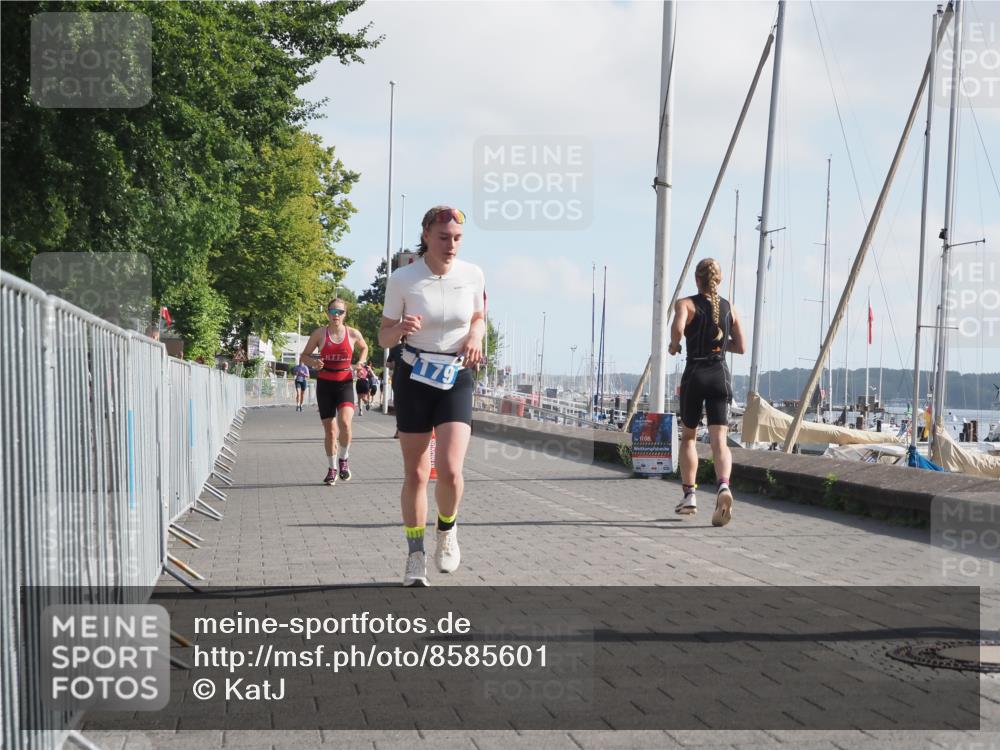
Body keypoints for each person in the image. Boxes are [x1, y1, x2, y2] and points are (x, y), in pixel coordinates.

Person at [379, 206, 485, 586]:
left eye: (457, 238)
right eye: (443, 238)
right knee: (417, 473)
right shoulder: (403, 279)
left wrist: (476, 336)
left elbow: (478, 317)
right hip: (414, 375)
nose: (450, 245)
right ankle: (415, 554)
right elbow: (384, 336)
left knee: (451, 471)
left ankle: (447, 529)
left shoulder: (472, 274)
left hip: (455, 375)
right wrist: (401, 328)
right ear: (425, 235)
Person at [668, 258, 746, 527]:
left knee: (689, 438)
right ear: (718, 280)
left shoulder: (685, 304)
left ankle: (689, 495)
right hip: (720, 376)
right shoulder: (729, 308)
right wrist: (721, 345)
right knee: (719, 441)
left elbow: (678, 328)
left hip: (695, 374)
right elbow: (741, 347)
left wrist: (674, 345)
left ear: (697, 279)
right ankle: (723, 485)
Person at [300, 298, 369, 485]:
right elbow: (303, 356)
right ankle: (332, 469)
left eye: (340, 312)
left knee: (345, 423)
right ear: (328, 313)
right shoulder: (319, 334)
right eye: (332, 311)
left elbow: (364, 347)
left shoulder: (353, 333)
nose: (336, 315)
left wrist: (360, 362)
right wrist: (313, 362)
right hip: (325, 384)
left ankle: (344, 459)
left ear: (345, 314)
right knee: (330, 431)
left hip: (344, 383)